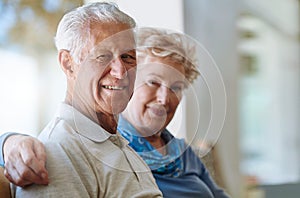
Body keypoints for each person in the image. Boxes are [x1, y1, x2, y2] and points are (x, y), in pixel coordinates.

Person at [1, 28, 230, 197]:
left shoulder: (181, 151)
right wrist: (7, 142)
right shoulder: (104, 143)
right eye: (152, 82)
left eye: (176, 88)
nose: (164, 98)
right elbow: (54, 146)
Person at [5, 2, 163, 197]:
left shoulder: (118, 143)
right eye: (102, 56)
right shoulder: (56, 153)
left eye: (127, 56)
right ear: (68, 64)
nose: (120, 72)